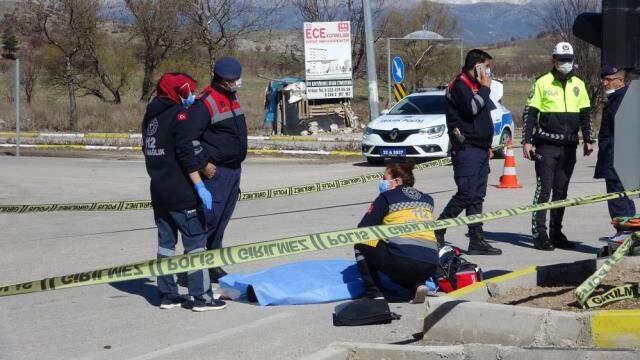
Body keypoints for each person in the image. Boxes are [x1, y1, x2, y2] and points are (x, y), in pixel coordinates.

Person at [142, 72, 226, 311]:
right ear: (177, 92)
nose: (191, 95)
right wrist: (199, 184)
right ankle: (202, 297)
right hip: (181, 192)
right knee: (196, 242)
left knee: (166, 243)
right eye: (187, 91)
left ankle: (167, 293)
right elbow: (185, 153)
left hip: (159, 191)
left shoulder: (149, 117)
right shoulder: (179, 115)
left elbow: (146, 151)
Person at [522, 42, 593, 251]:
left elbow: (586, 113)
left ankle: (556, 232)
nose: (565, 64)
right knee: (544, 189)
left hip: (569, 146)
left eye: (569, 60)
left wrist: (588, 139)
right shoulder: (542, 82)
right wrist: (526, 141)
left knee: (561, 191)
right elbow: (530, 113)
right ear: (554, 60)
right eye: (561, 60)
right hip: (546, 145)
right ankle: (539, 234)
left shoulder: (579, 83)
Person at [433, 49, 502, 255]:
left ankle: (476, 240)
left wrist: (487, 145)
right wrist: (485, 88)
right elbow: (471, 109)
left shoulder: (476, 86)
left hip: (480, 148)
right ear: (477, 66)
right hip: (465, 148)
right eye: (486, 67)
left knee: (477, 196)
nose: (489, 71)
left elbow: (481, 118)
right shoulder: (460, 85)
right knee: (466, 194)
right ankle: (437, 230)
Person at [187, 57, 248, 282]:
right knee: (208, 221)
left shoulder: (231, 98)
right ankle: (191, 269)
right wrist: (203, 164)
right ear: (223, 81)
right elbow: (189, 139)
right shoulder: (205, 102)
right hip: (215, 173)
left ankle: (212, 264)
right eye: (234, 80)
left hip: (233, 171)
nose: (237, 83)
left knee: (222, 221)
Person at [354, 161, 440, 302]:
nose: (382, 182)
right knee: (401, 255)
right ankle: (416, 286)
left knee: (361, 240)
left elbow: (364, 228)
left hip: (403, 261)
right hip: (430, 265)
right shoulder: (427, 199)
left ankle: (374, 292)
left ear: (397, 180)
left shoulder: (387, 197)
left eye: (384, 179)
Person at [595, 66, 636, 243]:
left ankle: (625, 232)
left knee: (617, 195)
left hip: (618, 157)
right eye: (603, 80)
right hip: (614, 155)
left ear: (620, 80)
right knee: (619, 195)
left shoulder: (624, 98)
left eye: (608, 80)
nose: (605, 83)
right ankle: (627, 229)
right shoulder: (616, 98)